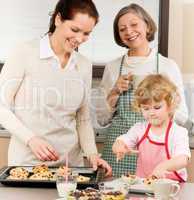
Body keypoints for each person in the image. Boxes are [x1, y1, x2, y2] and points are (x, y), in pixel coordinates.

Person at [0, 0, 111, 175]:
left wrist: (92, 154)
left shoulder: (83, 65)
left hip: (70, 167)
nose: (80, 39)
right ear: (58, 19)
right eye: (74, 30)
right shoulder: (25, 52)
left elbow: (82, 117)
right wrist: (31, 140)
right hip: (27, 164)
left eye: (87, 33)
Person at [94, 3, 188, 177]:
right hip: (119, 153)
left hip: (155, 155)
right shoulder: (113, 67)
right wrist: (114, 91)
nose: (128, 31)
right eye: (122, 29)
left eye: (134, 24)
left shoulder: (167, 66)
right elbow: (101, 119)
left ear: (147, 25)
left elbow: (181, 115)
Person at [112, 74, 190, 182]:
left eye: (157, 107)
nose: (151, 113)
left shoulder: (178, 132)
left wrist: (163, 166)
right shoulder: (139, 129)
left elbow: (182, 159)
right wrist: (119, 147)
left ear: (170, 105)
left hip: (172, 188)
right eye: (146, 108)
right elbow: (122, 141)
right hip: (144, 187)